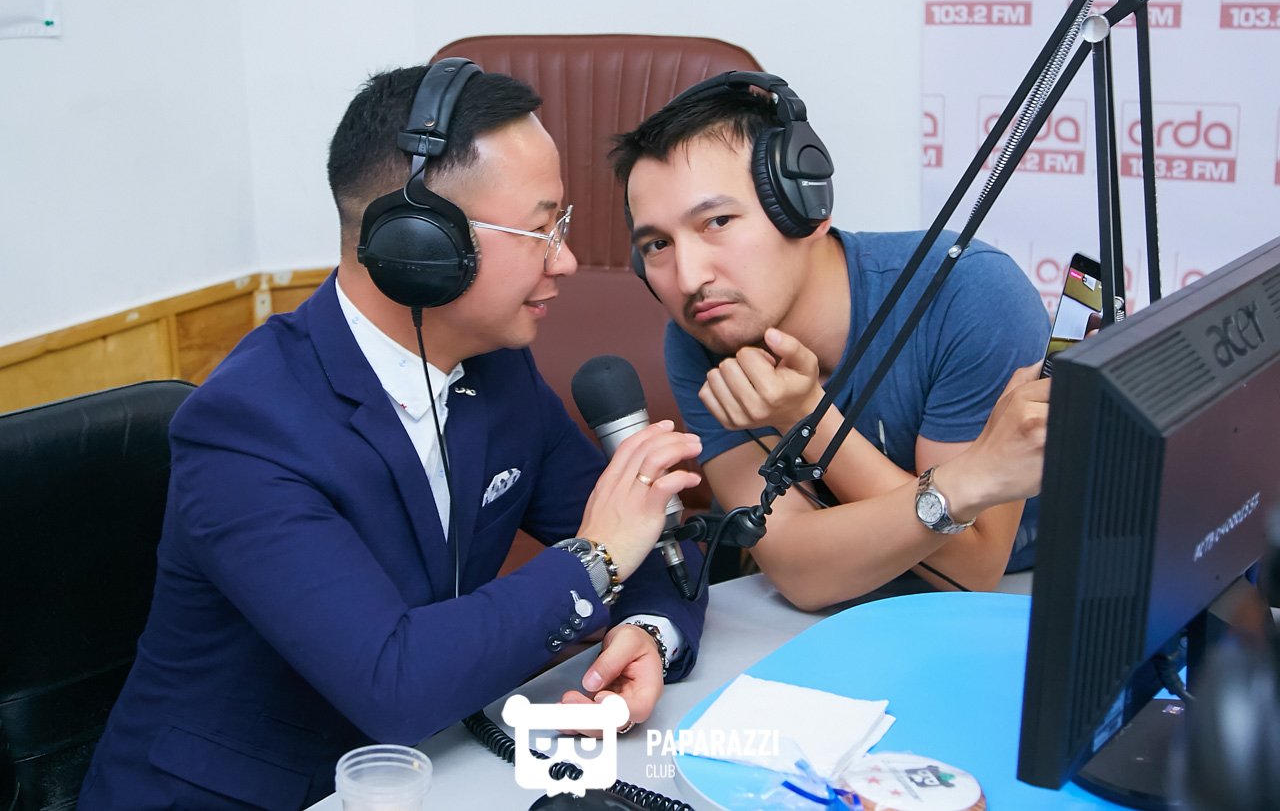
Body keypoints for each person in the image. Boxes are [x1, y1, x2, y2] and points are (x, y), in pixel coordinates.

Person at [79, 61, 705, 809]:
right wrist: (595, 558)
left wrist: (648, 631)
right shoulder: (244, 427)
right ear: (420, 244)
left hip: (429, 772)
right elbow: (396, 682)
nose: (565, 259)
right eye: (539, 229)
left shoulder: (496, 368)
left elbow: (648, 541)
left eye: (560, 226)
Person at [610, 73, 1051, 612]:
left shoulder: (969, 294)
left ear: (804, 206)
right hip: (856, 613)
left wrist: (806, 417)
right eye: (657, 245)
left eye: (717, 221)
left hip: (1031, 599)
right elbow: (800, 573)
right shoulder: (700, 335)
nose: (688, 276)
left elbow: (969, 568)